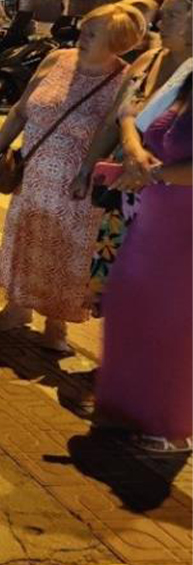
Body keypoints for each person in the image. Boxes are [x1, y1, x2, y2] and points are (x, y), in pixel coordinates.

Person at [0, 2, 144, 352]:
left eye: (92, 33)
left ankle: (56, 325)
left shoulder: (124, 78)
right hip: (34, 172)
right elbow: (21, 108)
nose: (81, 37)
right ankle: (17, 307)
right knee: (27, 239)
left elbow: (113, 130)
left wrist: (88, 169)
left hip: (77, 183)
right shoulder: (58, 59)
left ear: (116, 42)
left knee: (67, 251)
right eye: (83, 29)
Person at [92, 73, 191, 453]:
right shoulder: (186, 79)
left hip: (185, 229)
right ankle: (128, 409)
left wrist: (154, 174)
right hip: (153, 217)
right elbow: (136, 120)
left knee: (173, 323)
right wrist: (133, 146)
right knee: (129, 306)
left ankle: (171, 426)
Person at [82, 0, 193, 314]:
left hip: (169, 189)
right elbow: (117, 118)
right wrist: (89, 167)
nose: (161, 21)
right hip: (127, 185)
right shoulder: (149, 59)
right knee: (118, 278)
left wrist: (149, 169)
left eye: (172, 14)